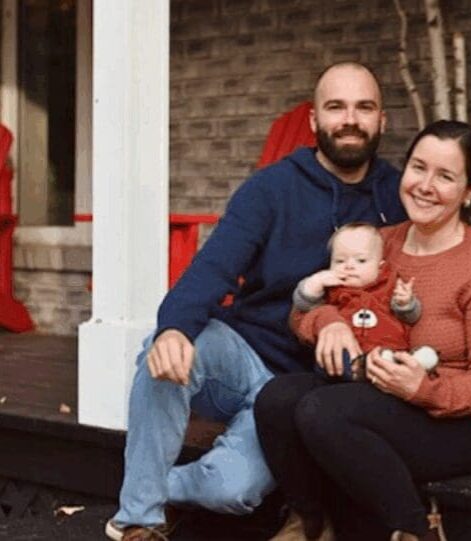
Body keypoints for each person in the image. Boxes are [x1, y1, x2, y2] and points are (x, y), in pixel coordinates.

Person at [105, 61, 407, 541]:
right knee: (164, 351)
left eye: (363, 107)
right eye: (336, 107)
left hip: (297, 391)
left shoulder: (399, 196)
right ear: (313, 121)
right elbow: (213, 267)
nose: (350, 119)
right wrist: (174, 329)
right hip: (243, 351)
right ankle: (139, 519)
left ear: (382, 120)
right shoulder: (271, 188)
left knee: (234, 491)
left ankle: (153, 483)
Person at [254, 120, 471, 541]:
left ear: (469, 191)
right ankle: (310, 522)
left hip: (461, 425)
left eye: (446, 176)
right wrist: (328, 323)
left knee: (324, 410)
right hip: (378, 396)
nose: (425, 185)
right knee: (277, 398)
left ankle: (416, 530)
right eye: (419, 168)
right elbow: (303, 311)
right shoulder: (380, 243)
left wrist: (425, 390)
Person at [293, 222, 423, 380]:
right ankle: (350, 371)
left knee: (392, 359)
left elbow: (411, 318)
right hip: (344, 354)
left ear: (380, 266)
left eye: (360, 261)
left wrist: (405, 303)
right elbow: (303, 306)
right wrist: (314, 284)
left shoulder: (390, 284)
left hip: (385, 350)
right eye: (340, 261)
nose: (349, 266)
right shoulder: (333, 286)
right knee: (331, 359)